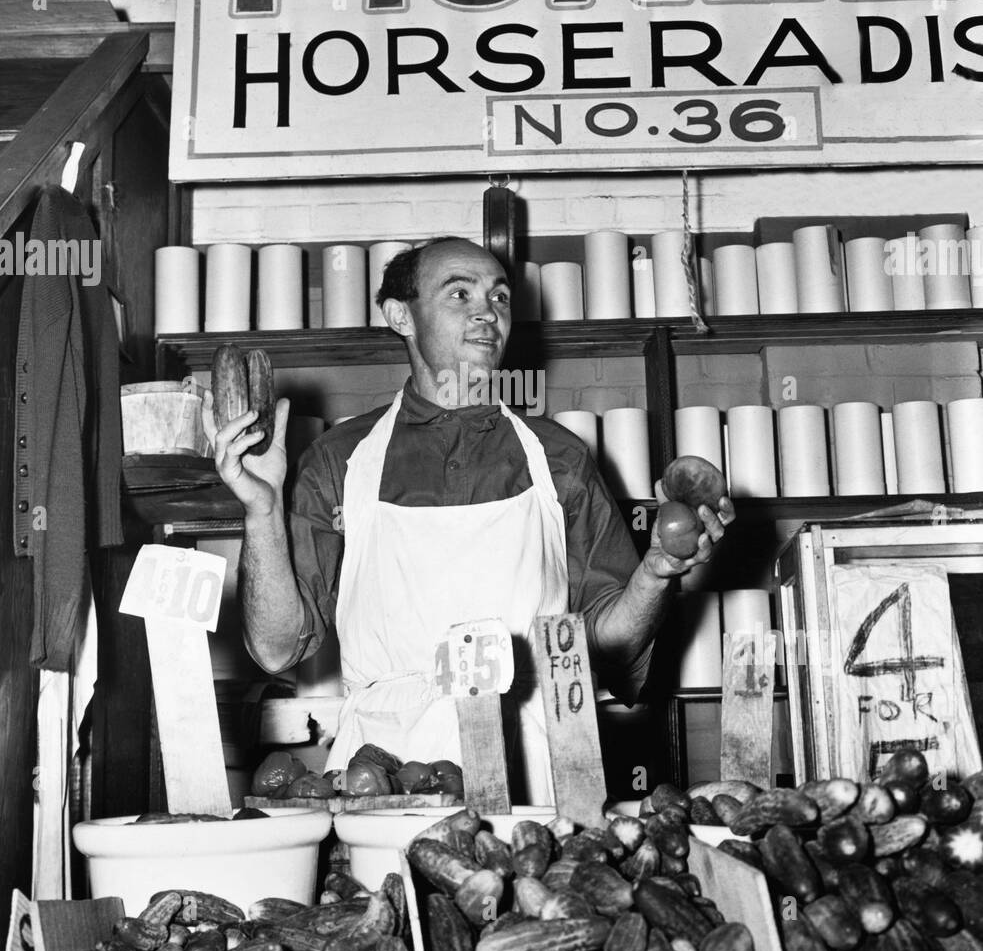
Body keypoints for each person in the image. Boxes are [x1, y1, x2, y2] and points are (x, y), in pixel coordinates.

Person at [204, 236, 734, 803]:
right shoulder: (340, 460)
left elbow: (603, 643)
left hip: (536, 764)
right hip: (382, 778)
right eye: (460, 293)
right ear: (400, 315)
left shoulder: (561, 457)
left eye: (500, 297)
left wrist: (655, 572)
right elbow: (278, 647)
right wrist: (260, 510)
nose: (488, 312)